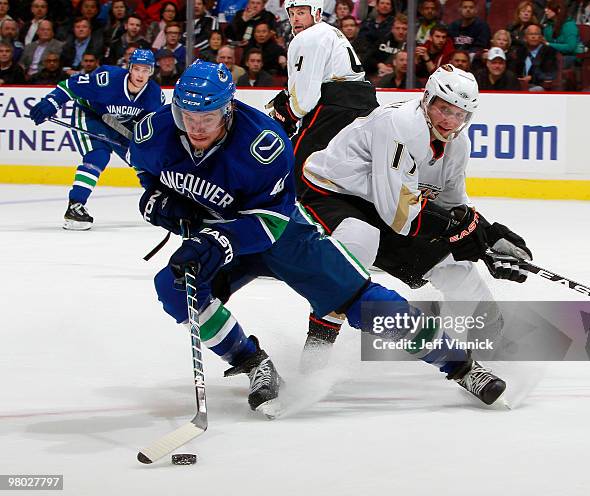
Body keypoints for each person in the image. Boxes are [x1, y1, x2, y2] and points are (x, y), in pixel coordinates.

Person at [129, 60, 509, 414]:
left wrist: (219, 240)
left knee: (362, 300)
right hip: (217, 234)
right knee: (173, 287)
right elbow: (152, 175)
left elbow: (272, 220)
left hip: (281, 236)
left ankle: (460, 366)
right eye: (188, 116)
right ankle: (251, 362)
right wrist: (158, 201)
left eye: (208, 118)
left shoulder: (263, 142)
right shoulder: (154, 132)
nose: (196, 127)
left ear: (228, 110)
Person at [297, 64, 531, 382]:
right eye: (443, 108)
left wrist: (486, 238)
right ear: (426, 99)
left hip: (390, 208)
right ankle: (314, 357)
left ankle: (490, 354)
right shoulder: (400, 125)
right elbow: (399, 215)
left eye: (459, 114)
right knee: (357, 244)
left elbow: (451, 206)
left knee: (458, 269)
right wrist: (462, 231)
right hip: (331, 192)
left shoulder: (457, 147)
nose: (449, 120)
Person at [29, 49, 164, 230]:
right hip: (90, 115)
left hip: (120, 125)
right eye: (137, 69)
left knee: (143, 160)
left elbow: (150, 126)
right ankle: (75, 206)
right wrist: (52, 102)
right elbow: (71, 85)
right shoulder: (107, 78)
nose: (141, 74)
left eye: (146, 70)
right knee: (98, 156)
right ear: (130, 68)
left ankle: (163, 202)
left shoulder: (155, 96)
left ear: (152, 71)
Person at [267, 0, 378, 198]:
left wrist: (287, 113)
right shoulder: (330, 32)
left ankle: (295, 215)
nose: (295, 19)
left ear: (317, 13)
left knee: (298, 166)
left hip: (338, 107)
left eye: (301, 12)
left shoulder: (309, 37)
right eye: (291, 14)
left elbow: (304, 102)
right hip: (365, 106)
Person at [515, 22, 558, 90]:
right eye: (530, 34)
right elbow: (516, 70)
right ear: (525, 37)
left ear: (541, 37)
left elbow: (549, 74)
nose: (533, 36)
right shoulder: (521, 51)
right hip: (521, 86)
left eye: (536, 34)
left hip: (540, 87)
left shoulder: (549, 51)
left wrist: (532, 78)